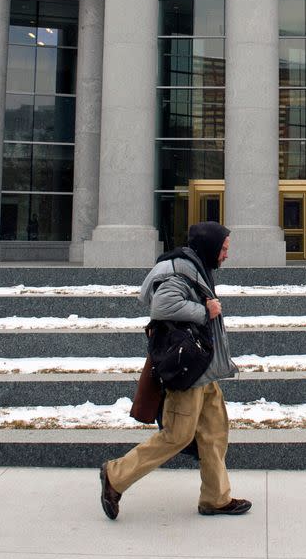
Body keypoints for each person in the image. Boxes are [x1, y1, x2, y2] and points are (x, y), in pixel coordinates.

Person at [99, 221, 251, 519]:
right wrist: (205, 311)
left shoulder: (194, 266)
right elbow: (162, 307)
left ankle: (215, 498)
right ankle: (115, 476)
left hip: (201, 368)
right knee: (177, 435)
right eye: (223, 249)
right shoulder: (180, 270)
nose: (226, 256)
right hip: (188, 371)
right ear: (209, 247)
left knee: (214, 432)